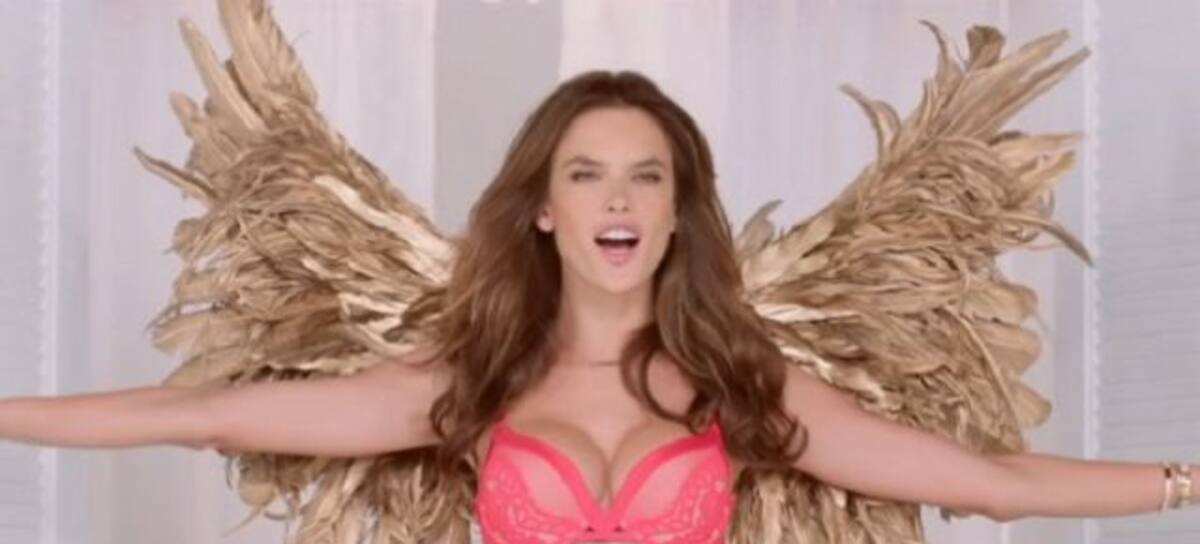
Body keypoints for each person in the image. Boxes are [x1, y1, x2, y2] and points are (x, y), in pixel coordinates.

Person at [0, 5, 1193, 543]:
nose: (617, 201)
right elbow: (204, 412)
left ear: (676, 213)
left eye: (645, 178)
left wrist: (1185, 483)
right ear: (543, 210)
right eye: (586, 175)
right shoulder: (469, 387)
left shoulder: (743, 390)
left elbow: (990, 482)